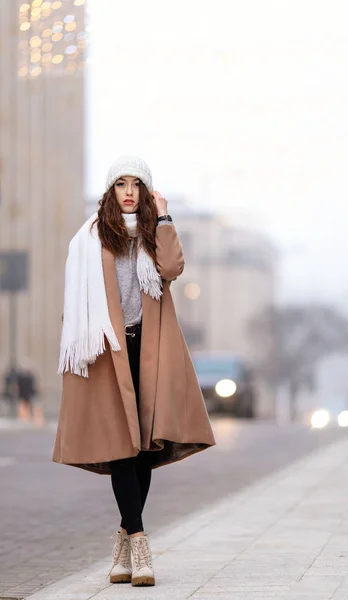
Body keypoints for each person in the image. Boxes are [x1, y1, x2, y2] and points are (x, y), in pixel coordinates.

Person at [53, 156, 215, 587]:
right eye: (120, 183)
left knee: (143, 446)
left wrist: (164, 216)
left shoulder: (151, 233)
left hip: (149, 347)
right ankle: (139, 543)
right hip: (108, 350)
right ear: (110, 191)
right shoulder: (89, 240)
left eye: (136, 184)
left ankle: (124, 540)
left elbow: (171, 270)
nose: (128, 191)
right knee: (122, 447)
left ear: (145, 192)